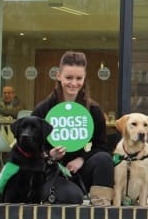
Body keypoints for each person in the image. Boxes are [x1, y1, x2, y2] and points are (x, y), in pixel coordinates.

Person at [32, 51, 114, 206]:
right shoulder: (43, 110)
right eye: (69, 78)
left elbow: (101, 146)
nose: (73, 83)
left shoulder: (94, 110)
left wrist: (82, 159)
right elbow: (31, 147)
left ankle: (102, 209)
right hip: (52, 173)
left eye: (79, 78)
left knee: (104, 159)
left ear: (84, 78)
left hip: (80, 172)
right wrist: (50, 154)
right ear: (59, 76)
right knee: (71, 197)